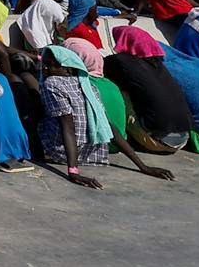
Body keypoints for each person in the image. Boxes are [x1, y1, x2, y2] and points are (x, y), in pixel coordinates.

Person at [38, 45, 175, 188]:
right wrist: (143, 166)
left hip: (61, 152)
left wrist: (73, 171)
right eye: (44, 64)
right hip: (91, 153)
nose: (45, 69)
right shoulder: (89, 87)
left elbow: (68, 128)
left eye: (50, 65)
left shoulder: (51, 84)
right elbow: (107, 126)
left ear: (68, 69)